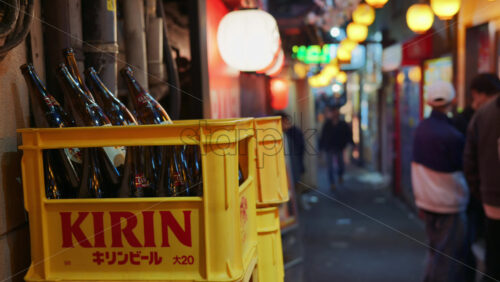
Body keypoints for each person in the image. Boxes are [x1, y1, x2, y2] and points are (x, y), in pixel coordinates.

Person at [411, 81, 469, 282]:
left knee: (435, 249)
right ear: (452, 101)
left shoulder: (420, 129)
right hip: (449, 203)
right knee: (447, 256)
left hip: (426, 201)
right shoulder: (454, 135)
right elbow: (464, 167)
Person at [463, 73, 500, 282]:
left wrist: (482, 193)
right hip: (490, 199)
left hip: (492, 202)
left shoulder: (481, 115)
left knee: (494, 261)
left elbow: (469, 163)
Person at [319, 105, 353, 190]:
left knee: (341, 165)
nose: (335, 113)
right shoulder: (327, 124)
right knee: (330, 167)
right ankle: (332, 183)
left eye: (336, 111)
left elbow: (348, 134)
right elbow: (323, 136)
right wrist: (321, 148)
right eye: (333, 111)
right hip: (329, 147)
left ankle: (340, 175)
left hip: (339, 147)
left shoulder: (342, 123)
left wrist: (351, 143)